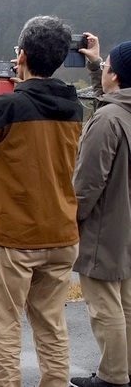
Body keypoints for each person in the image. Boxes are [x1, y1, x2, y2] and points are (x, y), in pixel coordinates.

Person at [0, 15, 83, 386]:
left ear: (20, 56)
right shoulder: (74, 108)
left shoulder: (9, 107)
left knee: (5, 327)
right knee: (52, 325)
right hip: (63, 233)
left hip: (18, 236)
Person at [69, 36, 131, 387]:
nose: (103, 70)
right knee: (126, 303)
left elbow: (87, 184)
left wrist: (69, 219)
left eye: (107, 67)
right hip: (128, 223)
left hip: (104, 228)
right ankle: (126, 370)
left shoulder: (106, 121)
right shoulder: (121, 112)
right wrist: (94, 65)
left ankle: (112, 377)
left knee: (104, 306)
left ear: (117, 76)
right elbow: (111, 98)